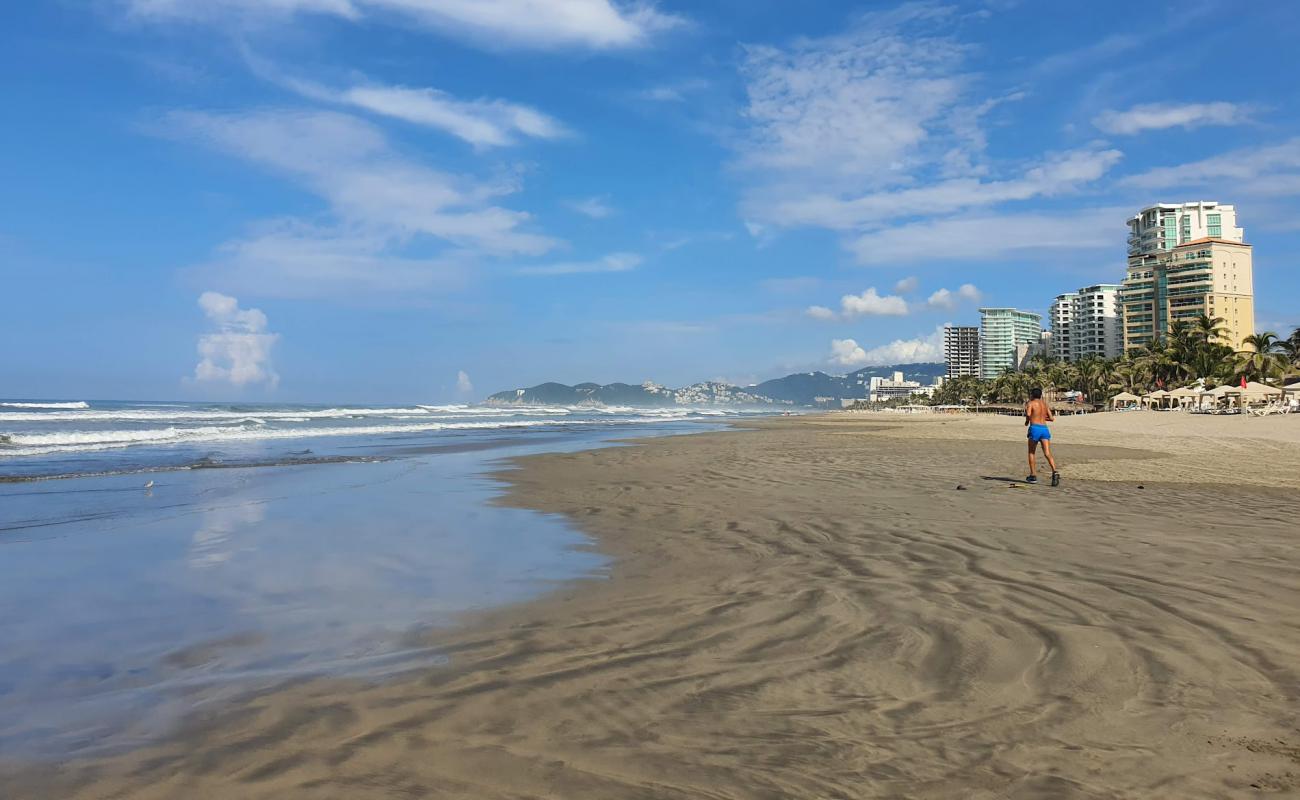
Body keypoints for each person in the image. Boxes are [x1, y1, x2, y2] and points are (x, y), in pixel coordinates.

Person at [1024, 387, 1060, 486]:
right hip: (1044, 429)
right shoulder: (1044, 405)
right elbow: (1052, 418)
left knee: (1031, 452)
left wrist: (1027, 421)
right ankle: (1054, 471)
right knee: (1047, 453)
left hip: (1035, 428)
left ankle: (1033, 475)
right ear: (1040, 395)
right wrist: (1042, 417)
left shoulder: (1030, 403)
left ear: (1032, 395)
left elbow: (1028, 413)